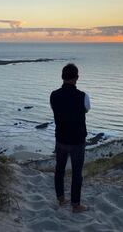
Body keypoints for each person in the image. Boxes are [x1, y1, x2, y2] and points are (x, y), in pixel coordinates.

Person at [50, 63, 90, 213]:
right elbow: (87, 109)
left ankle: (61, 199)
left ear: (62, 77)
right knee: (76, 173)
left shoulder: (53, 95)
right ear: (77, 78)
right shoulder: (83, 96)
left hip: (60, 138)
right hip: (77, 140)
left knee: (59, 170)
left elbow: (55, 109)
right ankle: (76, 205)